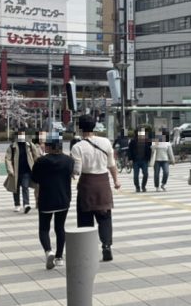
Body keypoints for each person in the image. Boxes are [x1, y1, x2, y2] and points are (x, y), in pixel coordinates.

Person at [71, 114, 121, 262]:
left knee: (85, 218)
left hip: (87, 184)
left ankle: (88, 250)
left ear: (80, 128)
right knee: (105, 217)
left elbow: (77, 170)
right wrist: (116, 181)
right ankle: (106, 246)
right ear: (94, 126)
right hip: (103, 183)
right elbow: (112, 164)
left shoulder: (77, 147)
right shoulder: (105, 142)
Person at [30, 136, 74, 269]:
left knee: (44, 228)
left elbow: (35, 178)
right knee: (60, 227)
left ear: (48, 146)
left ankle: (49, 251)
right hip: (63, 198)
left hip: (46, 198)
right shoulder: (68, 160)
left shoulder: (41, 161)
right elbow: (71, 174)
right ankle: (60, 257)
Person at [4, 128, 40, 214]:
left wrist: (37, 167)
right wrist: (10, 170)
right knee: (15, 188)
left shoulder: (30, 145)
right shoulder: (12, 146)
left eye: (23, 134)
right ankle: (17, 204)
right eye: (20, 134)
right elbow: (7, 159)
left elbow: (36, 156)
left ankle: (26, 204)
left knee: (25, 187)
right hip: (15, 171)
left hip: (26, 171)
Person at [127, 128, 152, 192]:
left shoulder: (147, 141)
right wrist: (130, 159)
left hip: (144, 160)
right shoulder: (132, 141)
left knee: (146, 174)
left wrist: (149, 159)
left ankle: (143, 186)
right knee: (136, 176)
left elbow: (150, 150)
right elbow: (129, 151)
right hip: (136, 161)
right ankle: (137, 187)